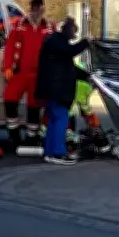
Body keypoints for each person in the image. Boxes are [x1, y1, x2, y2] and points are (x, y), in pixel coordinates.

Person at [35, 17, 91, 165]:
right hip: (58, 90)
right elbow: (70, 52)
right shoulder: (57, 42)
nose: (74, 36)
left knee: (54, 121)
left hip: (53, 90)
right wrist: (86, 42)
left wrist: (87, 76)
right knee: (61, 120)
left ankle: (50, 152)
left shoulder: (55, 43)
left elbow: (69, 66)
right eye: (74, 31)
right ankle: (58, 153)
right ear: (67, 29)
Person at [2, 0, 55, 147]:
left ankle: (32, 136)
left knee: (34, 106)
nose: (38, 12)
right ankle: (14, 134)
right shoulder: (19, 25)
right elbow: (10, 46)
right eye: (35, 9)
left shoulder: (50, 27)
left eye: (40, 9)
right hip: (19, 71)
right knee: (9, 99)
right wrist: (7, 67)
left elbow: (55, 50)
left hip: (39, 74)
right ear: (31, 9)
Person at [40, 60, 110, 160]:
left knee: (58, 126)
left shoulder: (65, 73)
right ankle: (69, 148)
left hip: (53, 117)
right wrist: (96, 126)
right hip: (64, 115)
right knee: (67, 132)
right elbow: (85, 109)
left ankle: (56, 145)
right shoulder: (84, 86)